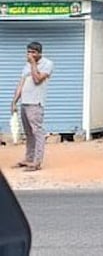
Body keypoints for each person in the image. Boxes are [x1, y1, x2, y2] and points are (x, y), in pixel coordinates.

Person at [9, 42, 53, 172]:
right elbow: (21, 84)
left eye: (33, 52)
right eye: (28, 52)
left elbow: (37, 79)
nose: (30, 55)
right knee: (28, 133)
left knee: (37, 132)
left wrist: (33, 63)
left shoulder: (47, 64)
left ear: (39, 53)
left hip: (35, 103)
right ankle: (28, 159)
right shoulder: (26, 66)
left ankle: (37, 162)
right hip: (25, 102)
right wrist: (14, 101)